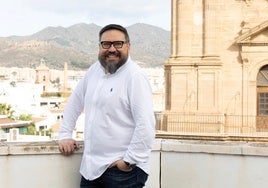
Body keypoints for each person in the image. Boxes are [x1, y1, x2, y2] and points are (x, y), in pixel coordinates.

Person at [58, 24, 156, 188]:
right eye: (106, 44)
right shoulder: (94, 70)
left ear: (128, 46)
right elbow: (75, 101)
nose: (112, 49)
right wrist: (65, 134)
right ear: (99, 46)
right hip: (91, 169)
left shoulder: (135, 77)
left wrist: (128, 161)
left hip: (123, 173)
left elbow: (146, 125)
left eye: (118, 44)